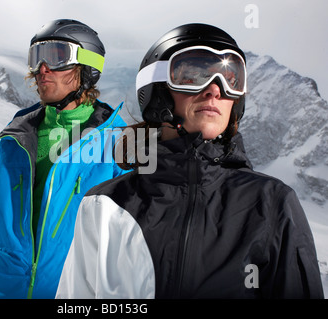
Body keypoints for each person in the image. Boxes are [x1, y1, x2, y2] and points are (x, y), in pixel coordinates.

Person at [55, 23, 325, 299]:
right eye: (194, 74)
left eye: (230, 79)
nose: (215, 90)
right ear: (157, 90)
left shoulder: (272, 204)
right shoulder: (105, 205)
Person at [0, 19, 128, 299]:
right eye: (36, 58)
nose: (42, 69)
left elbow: (129, 250)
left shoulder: (118, 145)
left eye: (56, 56)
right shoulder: (13, 142)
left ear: (88, 68)